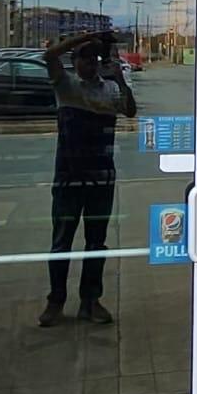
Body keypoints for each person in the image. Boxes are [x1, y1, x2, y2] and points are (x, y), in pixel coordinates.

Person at [41, 25, 136, 326]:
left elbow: (130, 111)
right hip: (69, 177)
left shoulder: (108, 89)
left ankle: (90, 300)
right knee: (61, 243)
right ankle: (55, 301)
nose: (90, 63)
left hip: (101, 176)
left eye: (94, 58)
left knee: (97, 243)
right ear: (74, 62)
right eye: (84, 58)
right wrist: (85, 37)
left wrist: (120, 79)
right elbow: (49, 55)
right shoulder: (65, 86)